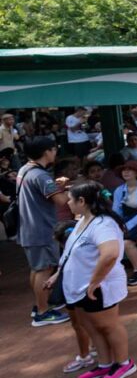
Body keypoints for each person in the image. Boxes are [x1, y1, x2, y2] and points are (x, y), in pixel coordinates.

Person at [47, 180, 136, 378]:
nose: (67, 202)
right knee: (92, 327)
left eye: (70, 199)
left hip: (97, 287)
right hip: (79, 288)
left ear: (82, 201)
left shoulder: (103, 224)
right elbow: (71, 253)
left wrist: (95, 281)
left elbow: (110, 254)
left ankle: (124, 363)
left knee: (108, 325)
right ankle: (105, 363)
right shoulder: (83, 220)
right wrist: (58, 275)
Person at [17, 136, 71, 326]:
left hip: (29, 229)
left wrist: (56, 186)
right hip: (42, 229)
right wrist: (65, 189)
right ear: (46, 152)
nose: (55, 152)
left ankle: (39, 305)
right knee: (44, 270)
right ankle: (43, 312)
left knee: (37, 269)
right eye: (54, 149)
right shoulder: (41, 175)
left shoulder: (26, 170)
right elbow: (62, 201)